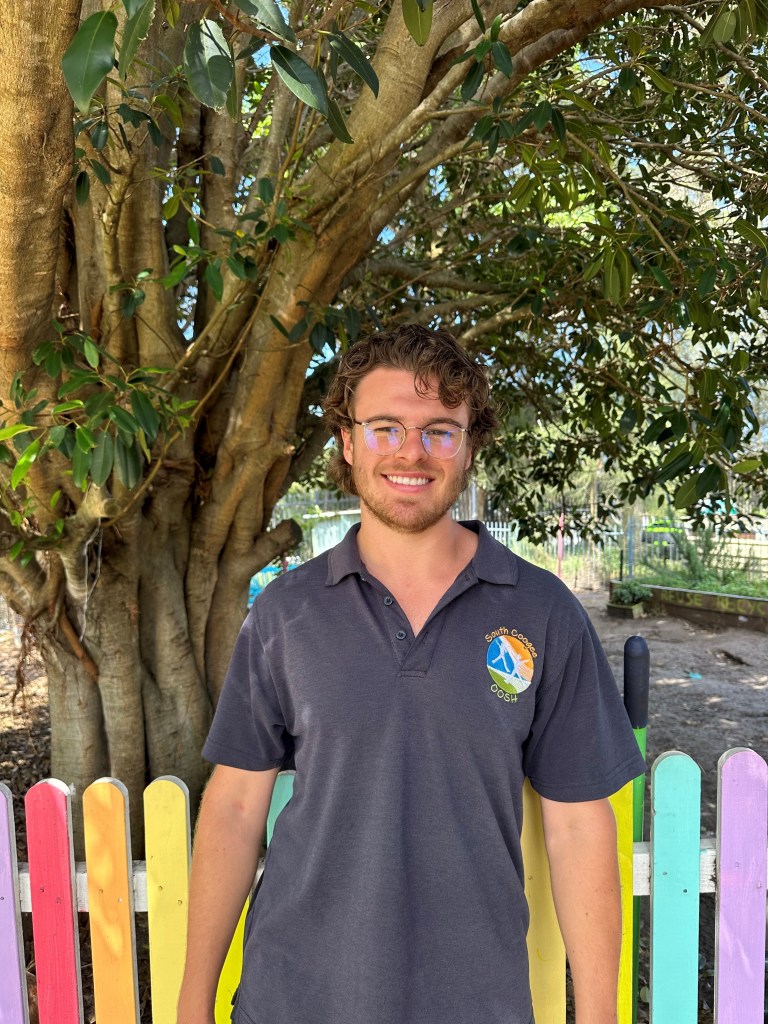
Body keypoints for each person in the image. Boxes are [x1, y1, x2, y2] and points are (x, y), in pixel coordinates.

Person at [177, 324, 645, 1024]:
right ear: (347, 442)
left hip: (475, 1002)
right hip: (294, 997)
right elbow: (236, 808)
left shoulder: (544, 613)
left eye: (439, 431)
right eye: (385, 427)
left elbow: (579, 828)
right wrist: (191, 1007)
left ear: (470, 446)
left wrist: (600, 1017)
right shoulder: (285, 613)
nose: (411, 452)